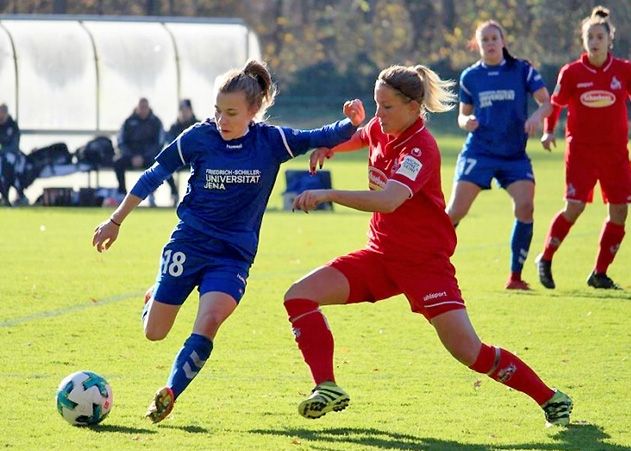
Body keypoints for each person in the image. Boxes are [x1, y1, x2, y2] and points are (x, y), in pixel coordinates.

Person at [285, 64, 572, 427]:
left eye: (387, 107)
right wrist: (330, 146)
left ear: (413, 106)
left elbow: (389, 200)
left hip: (424, 265)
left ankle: (552, 399)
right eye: (376, 105)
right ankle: (327, 387)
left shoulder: (421, 148)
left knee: (471, 353)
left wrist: (328, 193)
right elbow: (361, 136)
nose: (379, 115)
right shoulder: (383, 127)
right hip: (380, 256)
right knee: (299, 296)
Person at [92, 60, 365, 424]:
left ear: (254, 111)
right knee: (154, 333)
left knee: (209, 321)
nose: (222, 120)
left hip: (233, 256)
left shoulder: (271, 141)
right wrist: (115, 220)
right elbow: (155, 174)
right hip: (189, 244)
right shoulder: (198, 137)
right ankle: (154, 292)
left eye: (232, 113)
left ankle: (170, 393)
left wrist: (352, 122)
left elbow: (321, 136)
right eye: (218, 111)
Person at [446, 20, 552, 290]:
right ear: (477, 45)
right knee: (455, 211)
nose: (490, 44)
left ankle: (515, 277)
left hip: (513, 155)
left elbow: (546, 101)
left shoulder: (522, 70)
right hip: (480, 151)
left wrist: (536, 118)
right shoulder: (470, 76)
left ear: (503, 41)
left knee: (526, 206)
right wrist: (465, 122)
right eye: (485, 40)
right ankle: (429, 261)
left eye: (494, 38)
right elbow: (462, 114)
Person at [536, 6, 630, 290]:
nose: (595, 41)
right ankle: (546, 257)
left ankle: (599, 273)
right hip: (582, 153)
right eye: (590, 36)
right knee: (574, 207)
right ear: (584, 40)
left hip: (615, 154)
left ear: (609, 39)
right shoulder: (573, 72)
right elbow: (555, 104)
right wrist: (548, 131)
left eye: (600, 36)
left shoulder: (624, 70)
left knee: (620, 212)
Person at [114, 98, 178, 205]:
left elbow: (159, 143)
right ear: (137, 108)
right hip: (131, 157)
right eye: (141, 107)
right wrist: (132, 156)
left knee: (163, 164)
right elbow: (121, 142)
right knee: (117, 162)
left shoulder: (155, 122)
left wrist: (144, 157)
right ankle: (122, 193)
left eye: (145, 107)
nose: (143, 110)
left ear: (149, 108)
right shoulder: (128, 122)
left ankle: (173, 192)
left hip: (149, 157)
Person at [0, 103, 28, 206]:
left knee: (10, 172)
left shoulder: (12, 126)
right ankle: (4, 197)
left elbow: (14, 146)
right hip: (3, 158)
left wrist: (2, 152)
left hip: (13, 157)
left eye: (1, 113)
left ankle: (19, 196)